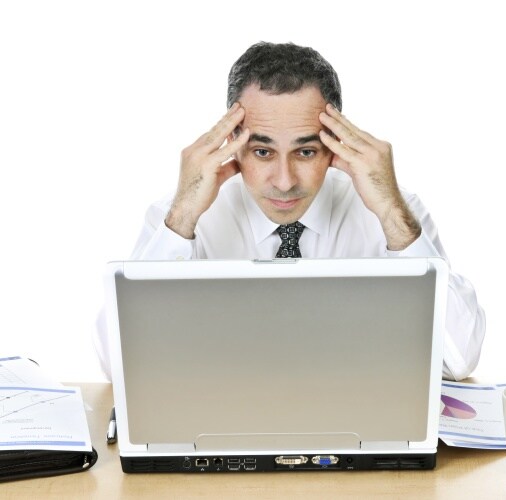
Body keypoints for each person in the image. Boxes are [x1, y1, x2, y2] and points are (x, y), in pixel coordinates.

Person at [94, 42, 485, 381]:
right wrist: (180, 220)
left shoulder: (394, 213)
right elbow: (118, 366)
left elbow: (459, 359)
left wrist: (391, 213)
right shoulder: (180, 217)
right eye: (262, 152)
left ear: (336, 144)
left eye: (306, 152)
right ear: (232, 141)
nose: (284, 181)